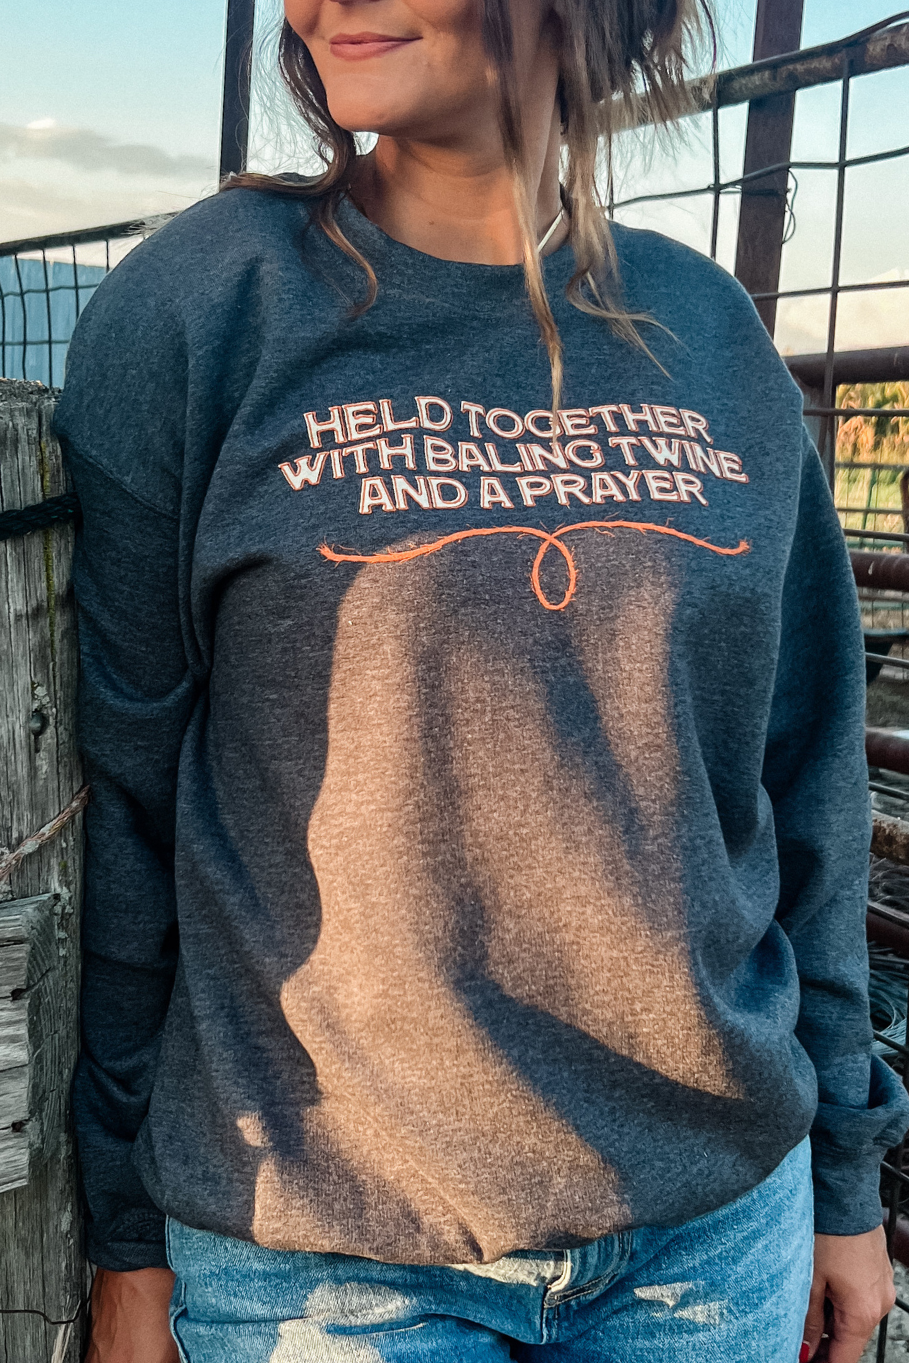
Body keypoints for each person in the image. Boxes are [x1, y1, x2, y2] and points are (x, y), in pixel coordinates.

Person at [55, 1, 909, 1360]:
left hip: (710, 1237)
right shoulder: (204, 309)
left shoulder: (712, 334)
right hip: (324, 1256)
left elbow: (807, 771)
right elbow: (131, 800)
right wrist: (125, 1235)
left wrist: (849, 1178)